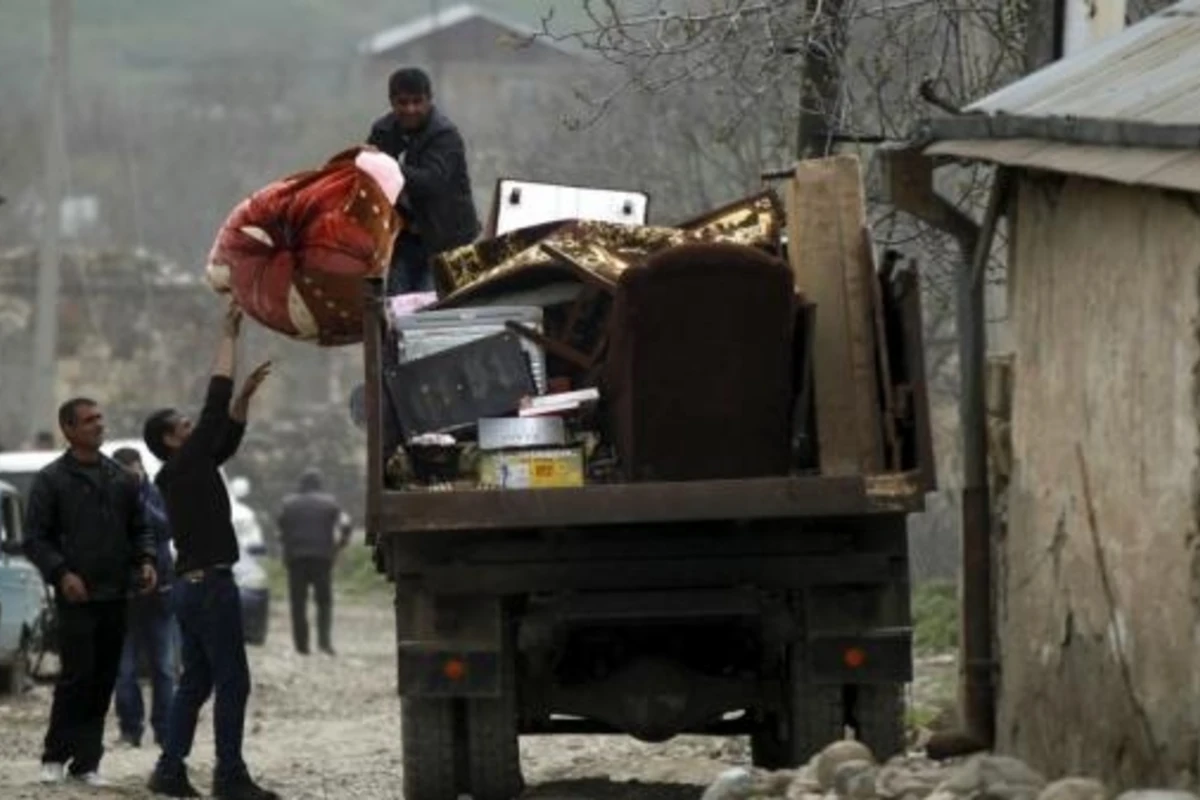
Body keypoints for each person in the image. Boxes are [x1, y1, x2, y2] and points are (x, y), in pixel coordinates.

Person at [142, 304, 275, 800]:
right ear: (173, 442)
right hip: (210, 589)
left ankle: (170, 770)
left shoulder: (185, 471)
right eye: (184, 425)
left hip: (191, 588)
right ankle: (229, 775)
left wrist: (243, 398)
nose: (193, 425)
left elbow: (227, 433)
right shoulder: (185, 465)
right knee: (231, 683)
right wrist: (228, 335)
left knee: (196, 682)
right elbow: (214, 403)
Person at [22, 398, 157, 787]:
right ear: (69, 429)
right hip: (77, 595)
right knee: (76, 677)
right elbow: (35, 538)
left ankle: (86, 762)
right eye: (89, 420)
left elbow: (141, 528)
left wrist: (145, 559)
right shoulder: (51, 480)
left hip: (116, 593)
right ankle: (54, 756)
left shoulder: (121, 478)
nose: (99, 425)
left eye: (100, 418)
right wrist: (62, 572)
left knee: (103, 678)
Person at [367, 66, 480, 294]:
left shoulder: (445, 135)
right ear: (392, 102)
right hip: (403, 241)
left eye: (418, 101)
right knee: (397, 310)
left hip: (446, 243)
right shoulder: (383, 132)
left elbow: (432, 182)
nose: (411, 109)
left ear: (429, 100)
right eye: (403, 102)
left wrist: (386, 166)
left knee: (434, 311)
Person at [111, 447, 177, 749]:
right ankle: (130, 729)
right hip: (123, 597)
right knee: (123, 672)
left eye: (133, 472)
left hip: (160, 594)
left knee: (163, 668)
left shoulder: (156, 493)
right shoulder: (107, 499)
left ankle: (164, 730)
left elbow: (166, 528)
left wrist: (138, 497)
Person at [277, 468, 352, 656]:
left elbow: (281, 528)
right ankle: (324, 643)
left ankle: (302, 646)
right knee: (324, 602)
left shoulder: (288, 504)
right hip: (322, 558)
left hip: (296, 559)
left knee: (298, 603)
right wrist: (340, 545)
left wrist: (287, 547)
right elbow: (345, 524)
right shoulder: (330, 504)